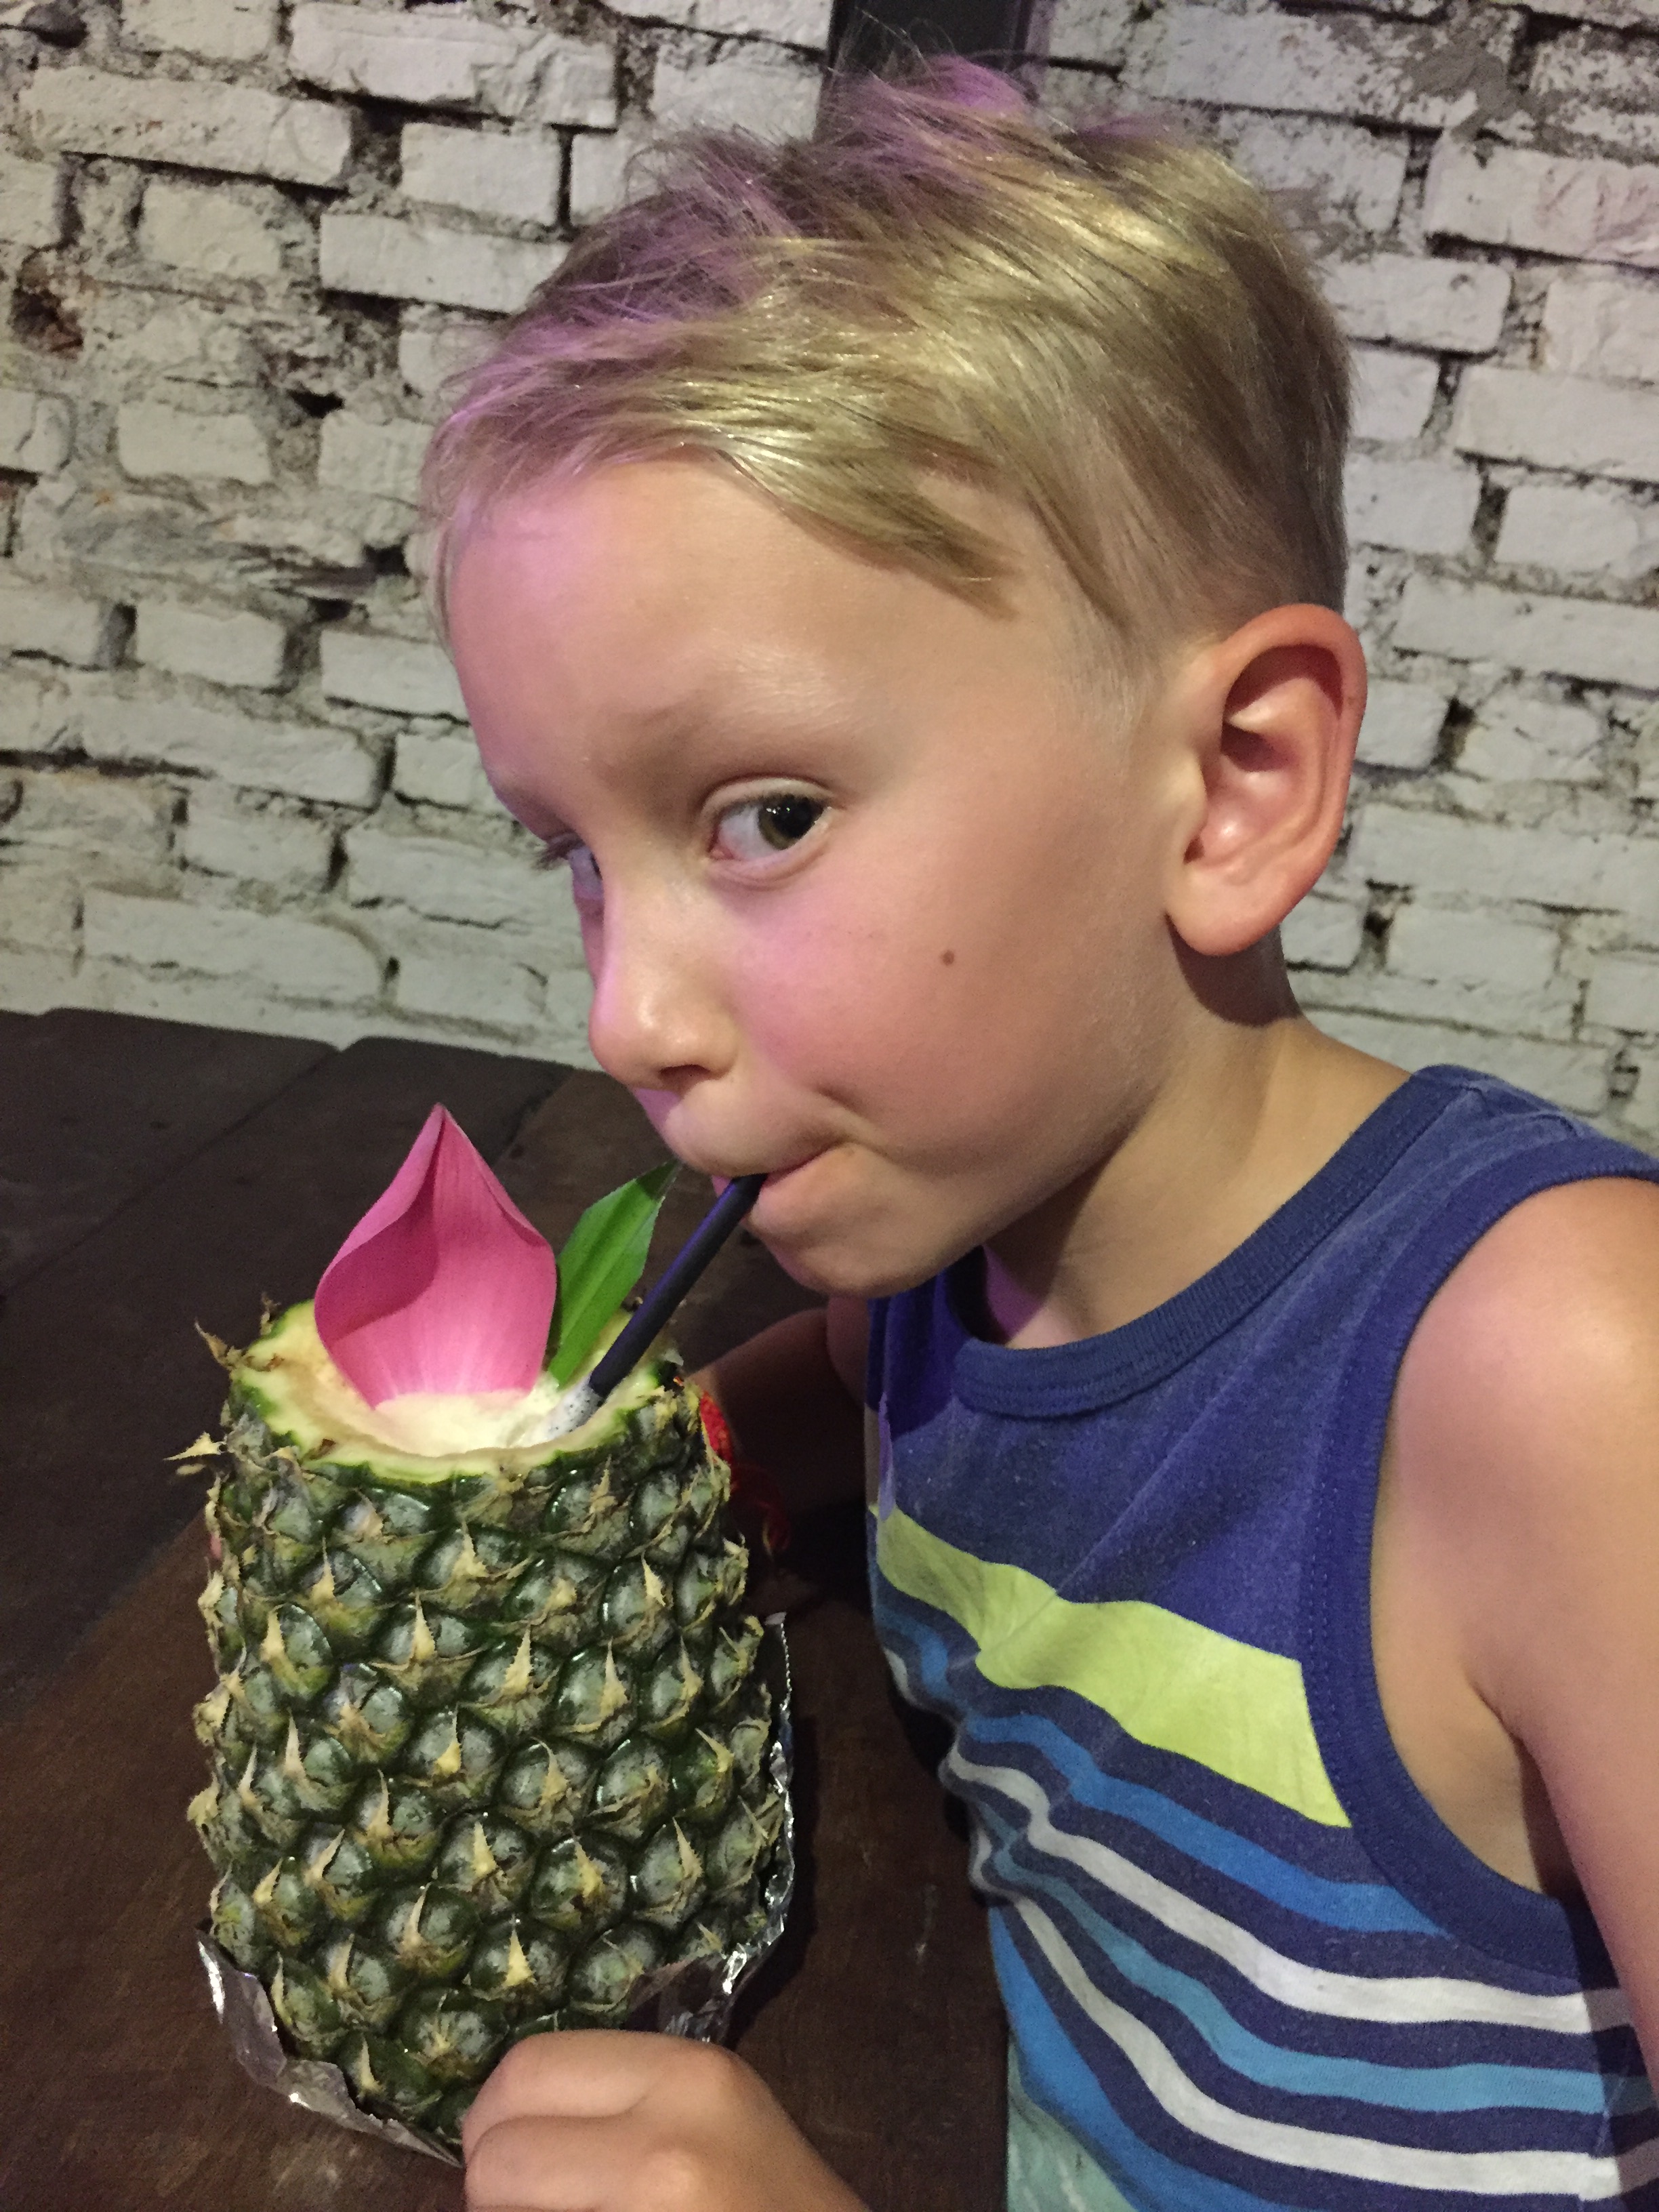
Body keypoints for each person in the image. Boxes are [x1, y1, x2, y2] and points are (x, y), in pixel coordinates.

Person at [425, 60, 1659, 2212]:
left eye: (767, 816)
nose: (628, 1015)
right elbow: (819, 1408)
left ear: (1236, 786)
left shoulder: (1559, 1382)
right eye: (580, 860)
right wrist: (528, 1531)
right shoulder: (947, 1283)